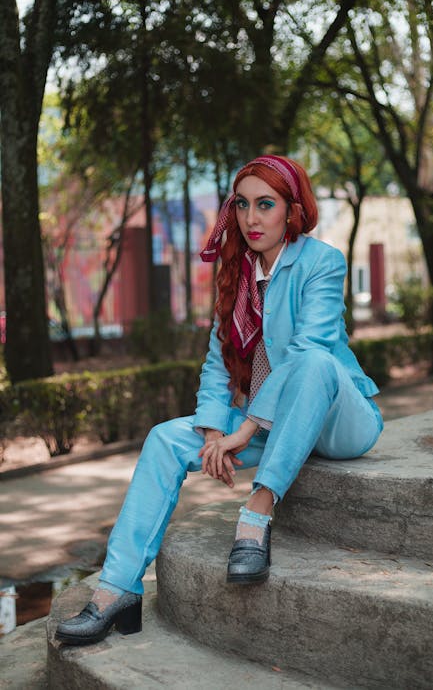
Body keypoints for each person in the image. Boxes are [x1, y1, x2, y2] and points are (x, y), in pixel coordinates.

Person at [55, 155, 383, 646]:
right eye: (243, 205)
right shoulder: (236, 274)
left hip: (339, 420)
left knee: (314, 362)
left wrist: (246, 429)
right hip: (270, 423)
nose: (252, 218)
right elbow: (216, 362)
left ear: (291, 211)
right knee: (165, 438)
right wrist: (212, 431)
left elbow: (306, 351)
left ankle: (256, 514)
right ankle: (115, 592)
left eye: (265, 204)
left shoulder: (322, 262)